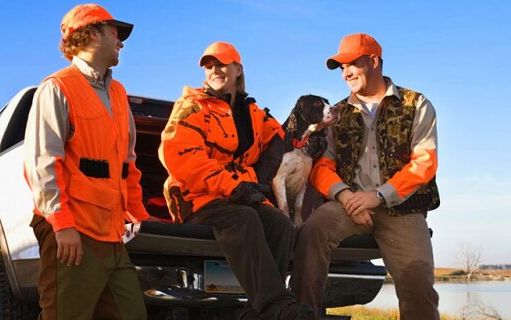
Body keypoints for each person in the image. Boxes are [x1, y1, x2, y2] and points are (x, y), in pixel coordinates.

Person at [159, 42, 314, 320]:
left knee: (280, 223)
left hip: (240, 195)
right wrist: (234, 187)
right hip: (197, 198)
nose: (214, 70)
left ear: (238, 69)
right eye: (209, 66)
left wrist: (313, 132)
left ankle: (256, 312)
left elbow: (284, 136)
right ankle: (276, 305)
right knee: (244, 218)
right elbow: (180, 156)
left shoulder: (254, 113)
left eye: (221, 64)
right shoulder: (192, 107)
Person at [291, 33, 441, 319]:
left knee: (418, 281)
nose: (345, 73)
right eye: (341, 68)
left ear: (373, 61)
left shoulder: (416, 104)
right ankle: (302, 315)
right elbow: (322, 167)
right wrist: (345, 196)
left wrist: (378, 196)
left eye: (351, 64)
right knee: (313, 231)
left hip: (403, 209)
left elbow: (424, 163)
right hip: (348, 206)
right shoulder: (336, 114)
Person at [23, 4, 151, 319]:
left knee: (131, 314)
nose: (120, 42)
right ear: (92, 34)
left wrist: (137, 213)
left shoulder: (118, 92)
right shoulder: (57, 87)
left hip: (111, 234)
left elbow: (127, 162)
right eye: (114, 32)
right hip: (72, 231)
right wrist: (62, 225)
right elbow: (43, 163)